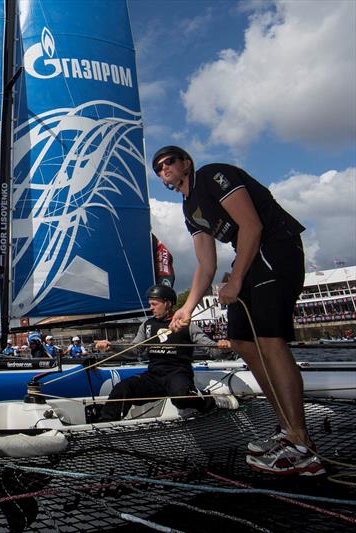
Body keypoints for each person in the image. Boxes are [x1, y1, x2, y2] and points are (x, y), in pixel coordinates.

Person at [152, 145, 321, 476]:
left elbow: (252, 226)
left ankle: (302, 443)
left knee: (270, 339)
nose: (163, 168)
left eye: (169, 161)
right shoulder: (189, 209)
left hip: (276, 248)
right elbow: (205, 263)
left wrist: (238, 278)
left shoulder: (216, 175)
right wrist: (187, 307)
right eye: (157, 168)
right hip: (250, 259)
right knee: (242, 341)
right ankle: (287, 431)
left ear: (186, 162)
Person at [94, 285, 232, 422]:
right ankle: (106, 423)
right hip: (154, 375)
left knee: (181, 398)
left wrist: (224, 348)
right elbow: (135, 350)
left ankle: (210, 402)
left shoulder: (186, 325)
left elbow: (212, 351)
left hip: (178, 373)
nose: (151, 308)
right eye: (149, 304)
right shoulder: (147, 325)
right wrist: (111, 347)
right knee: (123, 388)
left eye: (154, 304)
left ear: (168, 303)